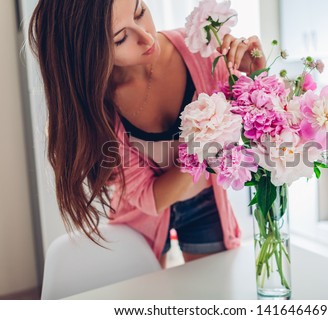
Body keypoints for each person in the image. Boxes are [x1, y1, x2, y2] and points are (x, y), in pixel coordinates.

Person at [28, 0, 266, 267]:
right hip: (139, 215)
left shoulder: (201, 51)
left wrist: (255, 74)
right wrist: (206, 148)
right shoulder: (98, 109)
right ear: (89, 54)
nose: (146, 36)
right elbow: (151, 198)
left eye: (140, 12)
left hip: (205, 202)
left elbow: (255, 125)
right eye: (120, 38)